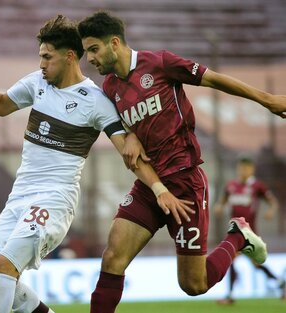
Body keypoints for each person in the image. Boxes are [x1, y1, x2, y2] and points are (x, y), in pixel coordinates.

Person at [0, 15, 193, 313]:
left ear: (68, 57)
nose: (41, 64)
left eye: (46, 57)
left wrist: (157, 187)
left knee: (4, 268)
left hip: (54, 199)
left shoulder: (95, 100)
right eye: (40, 57)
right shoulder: (37, 83)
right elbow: (1, 105)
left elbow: (129, 155)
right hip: (19, 196)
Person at [77, 11, 286, 313]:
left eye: (93, 49)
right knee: (112, 258)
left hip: (185, 181)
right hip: (151, 185)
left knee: (193, 285)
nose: (90, 59)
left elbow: (214, 80)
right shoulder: (109, 89)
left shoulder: (159, 63)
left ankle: (238, 236)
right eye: (86, 52)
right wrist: (132, 136)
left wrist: (267, 100)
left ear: (114, 43)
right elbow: (126, 137)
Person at [214, 156, 284, 303]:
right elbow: (222, 202)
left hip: (250, 233)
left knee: (256, 265)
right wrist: (219, 207)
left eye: (246, 168)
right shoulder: (231, 186)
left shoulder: (257, 186)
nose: (243, 171)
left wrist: (271, 210)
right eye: (241, 168)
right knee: (231, 261)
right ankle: (230, 296)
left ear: (252, 169)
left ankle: (281, 284)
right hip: (234, 233)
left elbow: (273, 202)